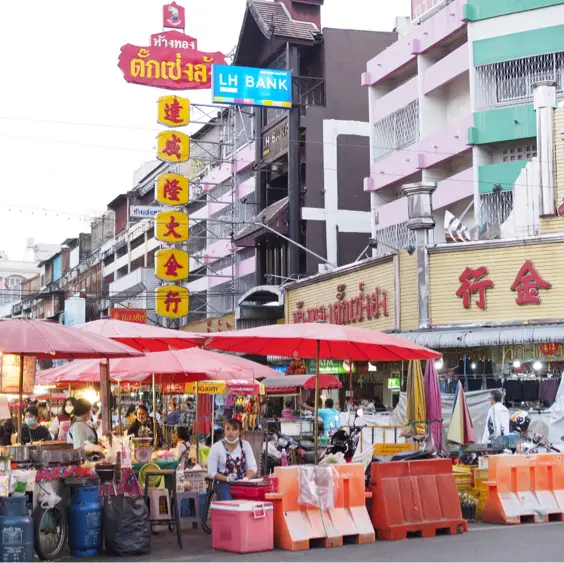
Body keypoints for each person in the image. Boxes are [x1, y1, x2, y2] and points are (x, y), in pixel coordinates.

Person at [207, 418, 257, 500]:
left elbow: (252, 467)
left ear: (240, 432)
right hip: (222, 484)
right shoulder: (216, 447)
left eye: (234, 429)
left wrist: (246, 478)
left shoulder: (245, 445)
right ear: (224, 431)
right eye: (228, 429)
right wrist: (227, 478)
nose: (230, 432)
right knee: (229, 502)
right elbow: (211, 473)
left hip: (241, 483)